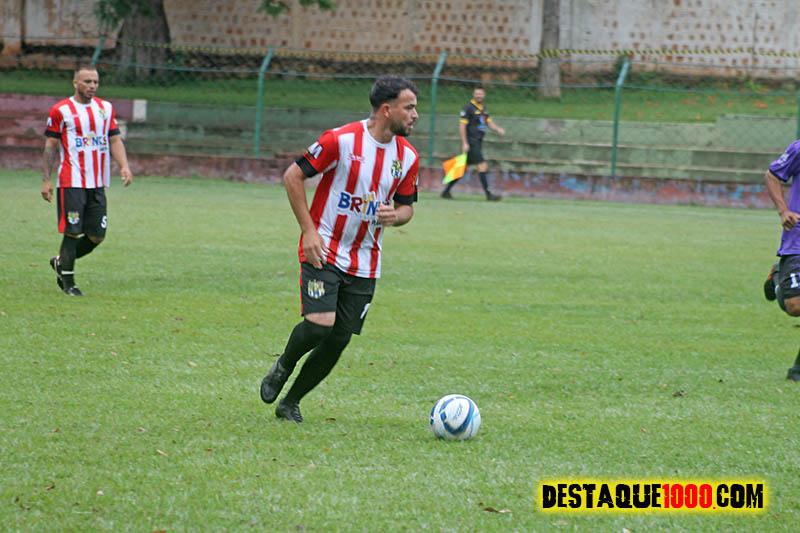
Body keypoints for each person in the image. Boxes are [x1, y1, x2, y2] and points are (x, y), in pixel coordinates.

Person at [260, 75, 420, 423]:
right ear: (387, 109)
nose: (415, 115)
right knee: (320, 325)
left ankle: (291, 403)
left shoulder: (407, 157)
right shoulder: (341, 140)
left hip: (366, 259)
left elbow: (407, 207)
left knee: (339, 338)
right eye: (409, 108)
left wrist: (396, 216)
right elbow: (292, 176)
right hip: (325, 247)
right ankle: (283, 365)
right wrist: (309, 231)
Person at [41, 65, 133, 296]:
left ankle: (60, 262)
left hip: (98, 182)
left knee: (97, 235)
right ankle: (69, 283)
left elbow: (114, 139)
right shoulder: (61, 110)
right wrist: (46, 180)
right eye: (87, 81)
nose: (92, 86)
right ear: (75, 83)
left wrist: (124, 166)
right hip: (71, 182)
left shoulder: (105, 108)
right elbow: (50, 146)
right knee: (72, 232)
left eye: (95, 82)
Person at [763, 139, 800, 381]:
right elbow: (772, 175)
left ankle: (798, 370)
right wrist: (784, 211)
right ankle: (778, 277)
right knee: (795, 306)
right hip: (798, 240)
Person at [441, 86, 505, 201]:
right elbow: (462, 126)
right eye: (477, 94)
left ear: (484, 95)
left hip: (478, 142)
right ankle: (489, 195)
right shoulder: (468, 108)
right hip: (471, 141)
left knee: (462, 168)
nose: (479, 96)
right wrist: (465, 143)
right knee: (482, 165)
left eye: (481, 94)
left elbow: (489, 122)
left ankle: (446, 192)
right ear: (473, 95)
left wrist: (498, 129)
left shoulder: (483, 108)